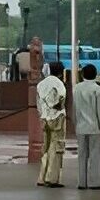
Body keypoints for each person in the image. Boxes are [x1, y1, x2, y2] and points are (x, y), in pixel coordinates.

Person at [72, 63, 100, 191]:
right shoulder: (97, 89)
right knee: (95, 155)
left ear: (82, 74)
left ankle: (82, 182)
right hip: (94, 128)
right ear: (95, 74)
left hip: (80, 127)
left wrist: (75, 124)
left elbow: (74, 109)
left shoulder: (77, 88)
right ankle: (94, 183)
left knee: (81, 155)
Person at [36, 58, 67, 187]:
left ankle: (41, 177)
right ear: (61, 72)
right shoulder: (59, 84)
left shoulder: (41, 84)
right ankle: (52, 178)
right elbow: (60, 101)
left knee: (46, 147)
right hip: (57, 117)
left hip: (44, 117)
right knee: (56, 147)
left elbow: (38, 102)